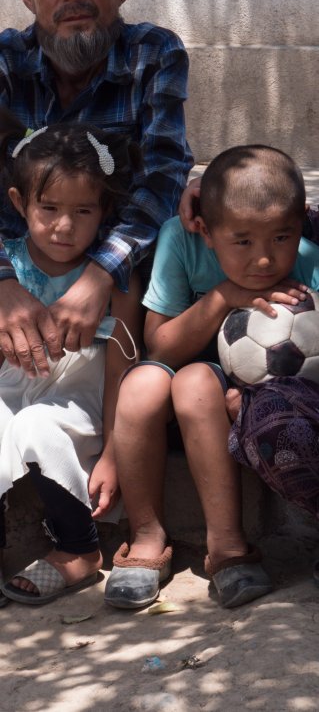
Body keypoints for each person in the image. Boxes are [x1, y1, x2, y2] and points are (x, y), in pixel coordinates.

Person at [0, 0, 193, 525]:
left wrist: (98, 275)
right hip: (19, 275)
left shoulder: (153, 55)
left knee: (151, 267)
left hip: (115, 293)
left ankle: (110, 478)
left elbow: (162, 180)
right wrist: (4, 281)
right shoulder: (3, 63)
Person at [104, 144, 319, 610]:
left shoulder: (307, 259)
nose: (264, 259)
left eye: (280, 238)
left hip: (247, 403)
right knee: (147, 383)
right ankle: (145, 538)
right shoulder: (179, 241)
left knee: (198, 382)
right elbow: (158, 345)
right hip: (179, 388)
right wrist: (222, 297)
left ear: (300, 222)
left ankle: (227, 549)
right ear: (205, 229)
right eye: (242, 242)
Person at [0, 112, 140, 606]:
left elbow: (124, 366)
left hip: (75, 400)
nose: (64, 226)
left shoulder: (115, 280)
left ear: (104, 211)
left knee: (37, 427)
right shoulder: (7, 268)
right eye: (49, 207)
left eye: (83, 211)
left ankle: (79, 549)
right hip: (10, 385)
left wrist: (114, 452)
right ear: (19, 203)